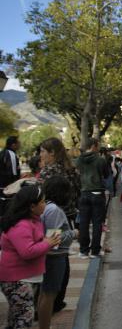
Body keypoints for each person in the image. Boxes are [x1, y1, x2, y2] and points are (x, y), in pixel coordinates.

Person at [0, 185, 61, 329]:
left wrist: (48, 242)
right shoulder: (21, 225)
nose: (45, 205)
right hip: (16, 279)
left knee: (16, 317)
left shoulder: (33, 221)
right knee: (24, 317)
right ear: (32, 206)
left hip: (23, 278)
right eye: (43, 202)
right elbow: (27, 252)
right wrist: (47, 243)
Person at [38, 137, 81, 313]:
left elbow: (40, 195)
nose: (41, 155)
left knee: (53, 254)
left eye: (43, 151)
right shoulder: (71, 170)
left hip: (51, 216)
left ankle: (50, 300)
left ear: (52, 153)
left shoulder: (48, 172)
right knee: (62, 255)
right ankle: (58, 298)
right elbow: (78, 190)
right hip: (68, 216)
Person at [38, 176, 77, 329]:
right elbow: (54, 239)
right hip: (55, 257)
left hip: (49, 256)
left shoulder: (47, 206)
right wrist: (73, 233)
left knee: (45, 293)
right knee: (49, 294)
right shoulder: (54, 210)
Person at [74, 139, 109, 259]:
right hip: (97, 193)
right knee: (97, 223)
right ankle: (95, 251)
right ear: (94, 146)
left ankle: (83, 251)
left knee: (83, 223)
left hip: (84, 193)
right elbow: (107, 174)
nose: (98, 148)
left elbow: (76, 173)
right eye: (98, 146)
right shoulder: (100, 160)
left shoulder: (79, 160)